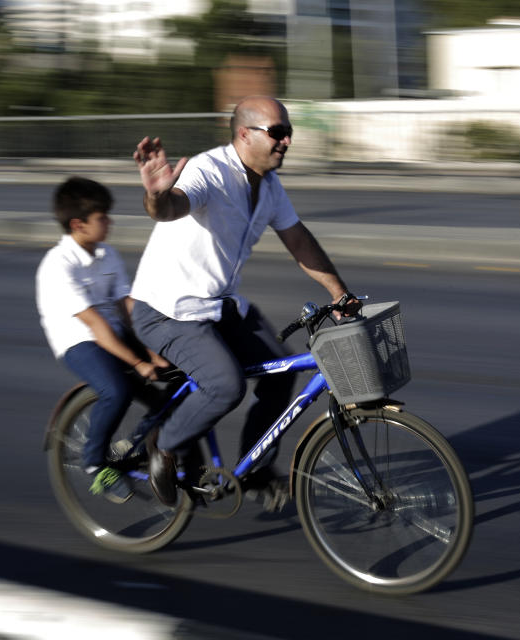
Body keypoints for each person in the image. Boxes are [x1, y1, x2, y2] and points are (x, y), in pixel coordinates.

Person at [130, 96, 359, 509]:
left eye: (288, 132)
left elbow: (298, 239)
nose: (286, 141)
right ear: (244, 134)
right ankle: (163, 445)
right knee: (226, 385)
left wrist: (338, 293)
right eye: (277, 132)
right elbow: (172, 206)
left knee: (281, 373)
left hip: (219, 305)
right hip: (170, 311)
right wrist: (157, 196)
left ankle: (254, 471)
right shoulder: (209, 171)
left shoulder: (268, 186)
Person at [35, 176, 169, 503]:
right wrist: (138, 362)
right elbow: (95, 326)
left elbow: (126, 307)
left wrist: (155, 350)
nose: (109, 222)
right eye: (102, 218)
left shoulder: (107, 254)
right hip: (78, 341)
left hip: (112, 331)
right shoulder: (58, 266)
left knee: (174, 386)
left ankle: (136, 445)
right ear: (78, 224)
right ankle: (94, 463)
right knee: (117, 390)